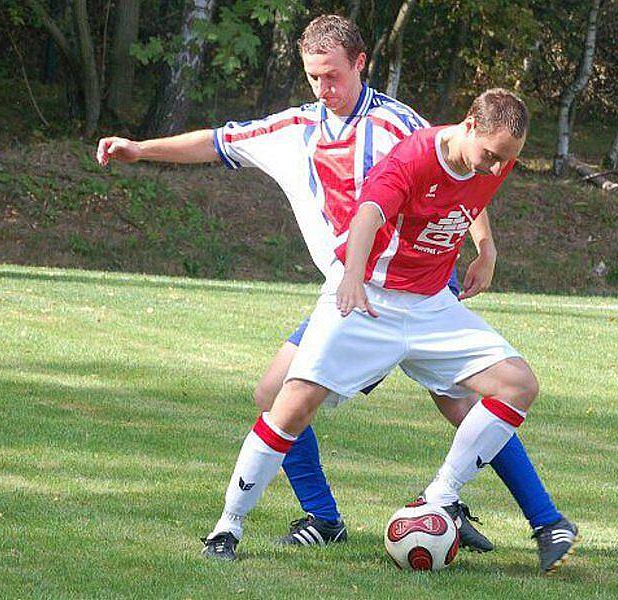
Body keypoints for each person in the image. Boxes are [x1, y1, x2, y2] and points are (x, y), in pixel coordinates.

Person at [98, 15, 573, 572]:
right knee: (277, 395)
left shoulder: (400, 126)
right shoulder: (295, 128)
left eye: (332, 76)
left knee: (467, 402)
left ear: (360, 64)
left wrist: (483, 245)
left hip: (419, 287)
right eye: (313, 76)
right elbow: (216, 141)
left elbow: (468, 171)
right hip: (353, 294)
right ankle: (322, 517)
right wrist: (140, 149)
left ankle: (526, 516)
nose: (323, 88)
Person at [201, 87, 578, 574]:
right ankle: (227, 527)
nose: (494, 167)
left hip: (431, 307)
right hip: (368, 300)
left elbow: (473, 195)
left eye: (506, 160)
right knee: (286, 405)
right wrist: (353, 277)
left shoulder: (493, 159)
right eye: (490, 155)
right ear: (468, 125)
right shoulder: (414, 156)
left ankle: (440, 497)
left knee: (518, 385)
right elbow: (368, 215)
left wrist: (486, 249)